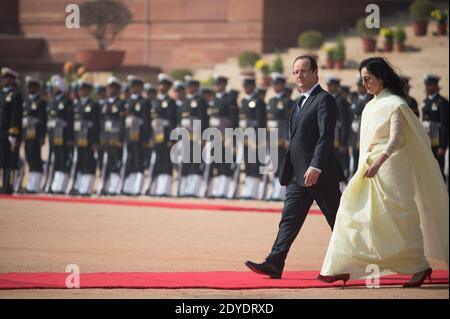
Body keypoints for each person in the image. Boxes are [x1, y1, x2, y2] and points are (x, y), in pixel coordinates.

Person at [318, 57, 448, 288]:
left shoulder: (396, 104)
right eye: (362, 80)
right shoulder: (371, 105)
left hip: (390, 168)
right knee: (352, 211)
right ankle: (340, 266)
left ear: (381, 78)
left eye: (368, 79)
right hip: (368, 167)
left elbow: (397, 139)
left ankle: (418, 266)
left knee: (397, 220)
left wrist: (379, 162)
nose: (364, 84)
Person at [245, 55, 343, 279]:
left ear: (316, 73)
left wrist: (316, 166)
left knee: (337, 221)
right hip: (298, 176)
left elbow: (325, 137)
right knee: (288, 220)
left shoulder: (324, 99)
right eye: (296, 72)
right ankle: (274, 262)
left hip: (320, 175)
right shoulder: (299, 102)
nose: (299, 75)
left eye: (304, 71)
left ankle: (351, 262)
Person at [266, 72, 294, 201]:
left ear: (282, 85)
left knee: (282, 166)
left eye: (277, 83)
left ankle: (280, 192)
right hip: (271, 137)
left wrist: (288, 139)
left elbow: (290, 122)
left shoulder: (287, 102)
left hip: (282, 139)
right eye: (273, 83)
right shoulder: (271, 101)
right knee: (273, 166)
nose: (274, 86)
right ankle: (273, 191)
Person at [22, 76, 47, 193]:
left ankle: (35, 185)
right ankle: (31, 183)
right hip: (27, 134)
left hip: (36, 135)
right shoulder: (26, 101)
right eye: (29, 86)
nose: (30, 88)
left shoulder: (41, 102)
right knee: (29, 158)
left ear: (37, 88)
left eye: (32, 86)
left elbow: (43, 120)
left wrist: (42, 136)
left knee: (35, 159)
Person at [421, 74, 449, 178]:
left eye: (429, 85)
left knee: (439, 169)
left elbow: (446, 125)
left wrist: (443, 145)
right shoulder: (425, 101)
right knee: (428, 168)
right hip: (428, 139)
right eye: (426, 85)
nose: (427, 87)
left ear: (436, 86)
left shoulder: (442, 102)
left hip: (438, 141)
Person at [0, 67, 23, 194]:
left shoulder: (16, 95)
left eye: (7, 78)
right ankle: (2, 185)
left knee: (9, 160)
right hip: (0, 132)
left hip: (9, 133)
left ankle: (8, 186)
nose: (4, 80)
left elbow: (16, 115)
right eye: (4, 78)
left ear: (12, 79)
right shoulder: (1, 94)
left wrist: (13, 133)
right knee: (2, 160)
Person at [349, 77, 372, 176]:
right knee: (355, 156)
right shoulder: (355, 100)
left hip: (365, 133)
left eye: (361, 86)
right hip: (355, 133)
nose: (359, 88)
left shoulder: (370, 99)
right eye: (358, 86)